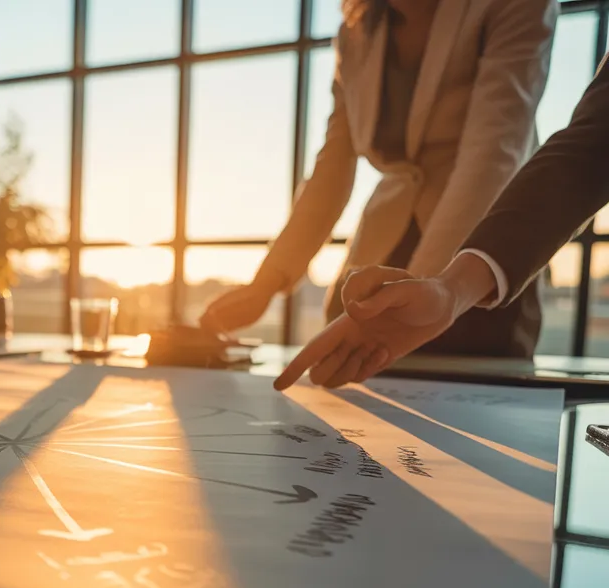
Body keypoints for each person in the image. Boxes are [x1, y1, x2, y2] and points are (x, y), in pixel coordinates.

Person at [200, 0, 556, 360]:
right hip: (385, 239)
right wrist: (265, 284)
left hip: (476, 254)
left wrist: (431, 289)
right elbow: (333, 165)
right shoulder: (355, 32)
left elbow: (493, 151)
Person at [275, 52, 609, 390]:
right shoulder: (356, 31)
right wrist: (267, 285)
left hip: (479, 236)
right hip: (392, 257)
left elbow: (498, 144)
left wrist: (444, 285)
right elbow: (589, 146)